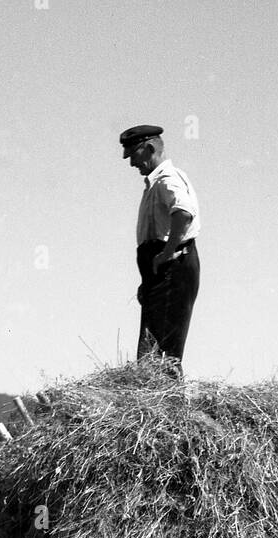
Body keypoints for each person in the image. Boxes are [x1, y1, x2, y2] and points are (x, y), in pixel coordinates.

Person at [119, 124, 201, 368]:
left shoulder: (167, 179)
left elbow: (183, 212)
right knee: (151, 349)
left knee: (161, 354)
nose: (132, 163)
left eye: (134, 155)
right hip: (162, 272)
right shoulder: (154, 184)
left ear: (150, 148)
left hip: (173, 267)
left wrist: (167, 252)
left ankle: (169, 402)